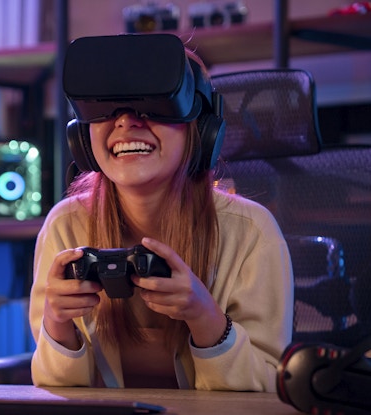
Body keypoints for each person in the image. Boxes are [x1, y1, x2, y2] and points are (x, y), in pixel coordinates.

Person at [28, 33, 293, 391]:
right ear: (82, 137)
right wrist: (57, 325)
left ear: (201, 128)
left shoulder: (252, 233)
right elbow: (56, 392)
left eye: (152, 105)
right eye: (106, 108)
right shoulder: (65, 227)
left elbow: (268, 391)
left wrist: (205, 317)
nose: (126, 123)